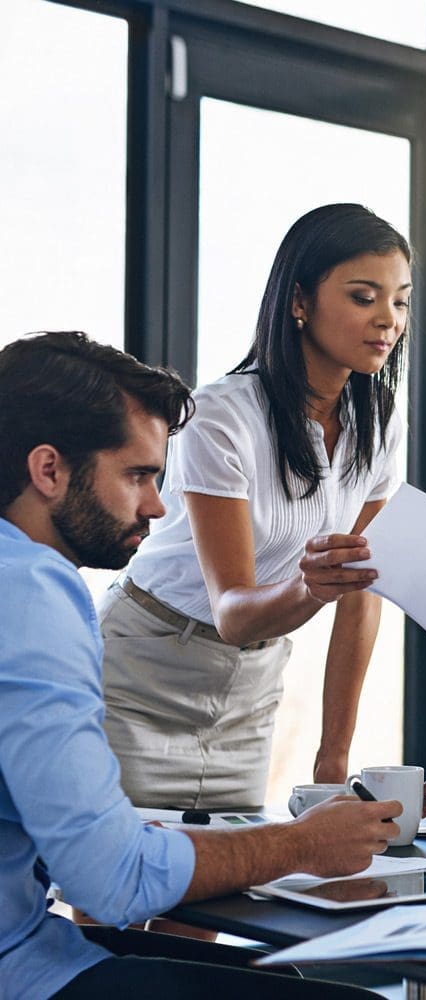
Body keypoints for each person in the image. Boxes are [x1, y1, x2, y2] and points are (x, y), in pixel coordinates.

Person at [0, 331, 401, 998]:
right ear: (49, 470)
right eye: (138, 475)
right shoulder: (35, 593)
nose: (158, 505)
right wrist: (299, 845)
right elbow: (113, 879)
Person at [99, 203, 411, 810]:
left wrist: (334, 755)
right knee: (110, 894)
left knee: (227, 889)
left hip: (252, 685)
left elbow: (361, 592)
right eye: (363, 296)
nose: (387, 320)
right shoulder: (221, 415)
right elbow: (234, 611)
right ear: (299, 301)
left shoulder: (379, 419)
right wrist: (312, 588)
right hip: (144, 668)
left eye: (399, 300)